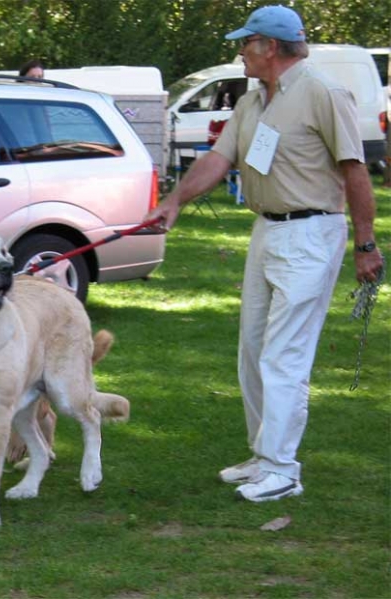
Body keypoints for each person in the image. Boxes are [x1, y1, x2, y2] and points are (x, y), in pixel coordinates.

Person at [147, 5, 383, 502]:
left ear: (270, 47)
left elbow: (355, 171)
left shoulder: (322, 93)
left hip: (312, 233)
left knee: (284, 356)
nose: (240, 51)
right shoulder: (252, 102)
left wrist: (366, 244)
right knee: (253, 351)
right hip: (266, 231)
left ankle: (283, 470)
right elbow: (218, 159)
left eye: (246, 43)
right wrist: (174, 203)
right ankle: (263, 456)